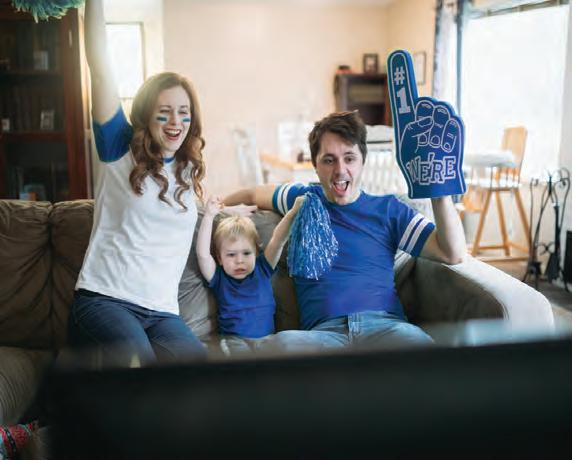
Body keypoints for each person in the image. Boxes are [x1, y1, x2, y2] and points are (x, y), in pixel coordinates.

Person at [68, 0, 255, 366]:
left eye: (184, 113)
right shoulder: (119, 146)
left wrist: (230, 209)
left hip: (161, 313)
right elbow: (101, 69)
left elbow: (180, 214)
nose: (175, 123)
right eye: (164, 112)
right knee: (141, 367)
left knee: (199, 376)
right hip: (105, 300)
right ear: (146, 116)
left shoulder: (185, 170)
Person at [223, 110, 467, 352]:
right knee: (280, 346)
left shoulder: (389, 210)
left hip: (386, 329)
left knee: (425, 351)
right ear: (315, 166)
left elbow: (452, 253)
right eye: (329, 160)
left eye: (349, 158)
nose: (340, 170)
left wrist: (439, 192)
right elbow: (252, 194)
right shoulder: (304, 200)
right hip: (322, 336)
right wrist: (217, 209)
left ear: (362, 161)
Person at [196, 195, 304, 355]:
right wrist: (209, 216)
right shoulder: (219, 278)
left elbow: (278, 240)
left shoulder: (263, 268)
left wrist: (294, 211)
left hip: (267, 341)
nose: (239, 261)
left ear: (256, 253)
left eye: (246, 253)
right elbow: (203, 255)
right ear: (219, 258)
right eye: (231, 255)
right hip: (234, 341)